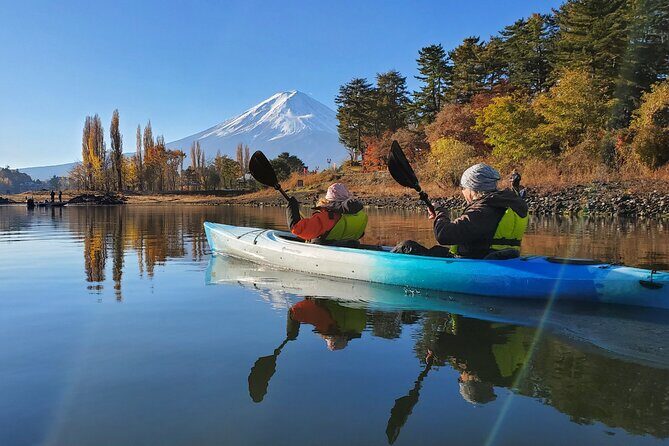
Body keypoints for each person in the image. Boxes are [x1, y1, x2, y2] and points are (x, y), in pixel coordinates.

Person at [393, 163, 529, 259]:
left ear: (472, 188)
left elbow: (443, 235)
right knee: (436, 251)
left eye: (463, 188)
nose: (462, 192)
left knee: (406, 246)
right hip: (499, 259)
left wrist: (441, 212)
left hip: (477, 263)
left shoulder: (483, 210)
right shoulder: (507, 203)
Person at [286, 182, 367, 245]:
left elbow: (296, 229)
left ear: (328, 199)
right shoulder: (361, 215)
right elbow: (360, 235)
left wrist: (292, 207)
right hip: (350, 248)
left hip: (329, 252)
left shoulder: (325, 217)